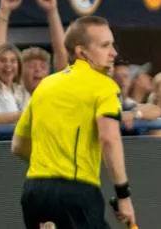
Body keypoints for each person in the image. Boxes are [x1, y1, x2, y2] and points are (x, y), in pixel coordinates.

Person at [11, 16, 137, 228]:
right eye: (105, 45)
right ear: (81, 52)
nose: (114, 52)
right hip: (76, 195)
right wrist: (123, 196)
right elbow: (109, 139)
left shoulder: (46, 85)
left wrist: (51, 164)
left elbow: (18, 145)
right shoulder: (104, 86)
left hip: (34, 193)